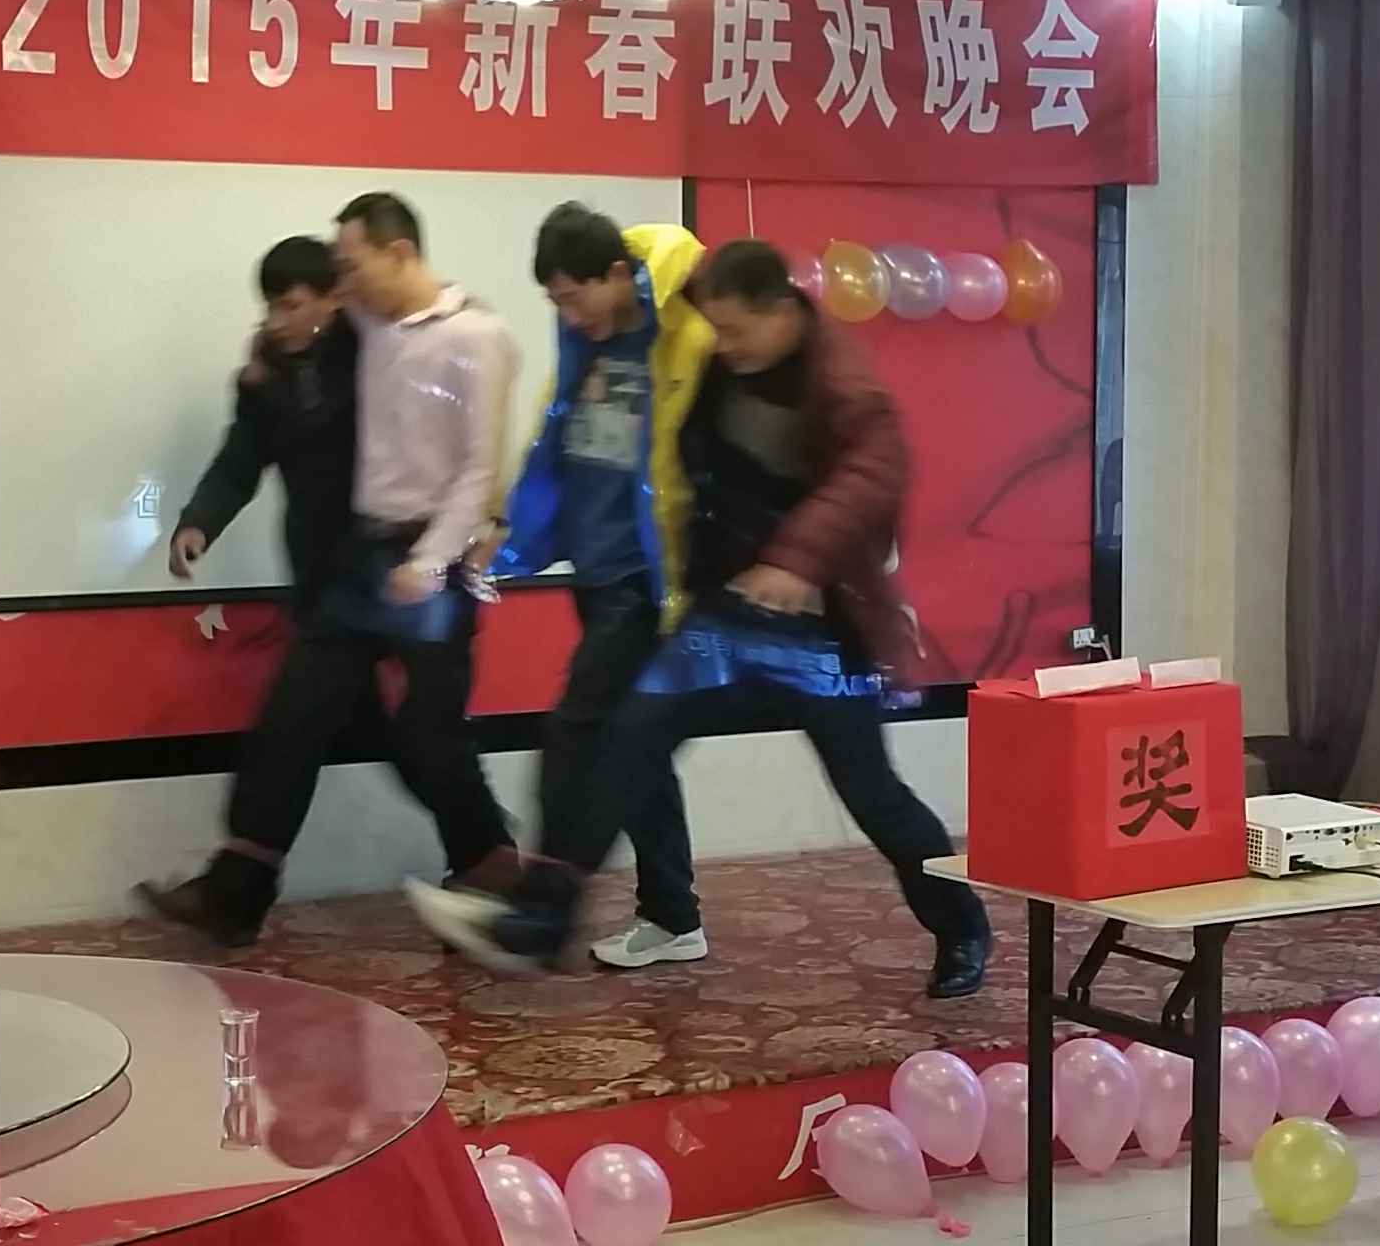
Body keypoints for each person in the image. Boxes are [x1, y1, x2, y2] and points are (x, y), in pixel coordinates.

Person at [411, 239, 995, 999]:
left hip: (821, 634)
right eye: (716, 329)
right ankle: (544, 917)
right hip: (722, 619)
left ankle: (960, 927)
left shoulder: (843, 384)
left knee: (872, 793)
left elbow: (870, 478)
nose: (726, 345)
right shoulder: (709, 366)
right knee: (626, 739)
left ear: (782, 310)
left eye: (738, 330)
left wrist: (796, 561)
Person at [141, 194, 522, 946]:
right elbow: (241, 456)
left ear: (334, 297)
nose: (278, 319)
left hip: (422, 566)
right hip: (340, 577)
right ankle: (236, 891)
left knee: (424, 737)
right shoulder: (277, 370)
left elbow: (474, 454)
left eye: (294, 303)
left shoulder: (385, 338)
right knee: (291, 722)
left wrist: (455, 545)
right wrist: (199, 521)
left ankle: (493, 867)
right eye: (271, 308)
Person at [478, 202, 710, 967]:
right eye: (556, 302)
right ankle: (672, 915)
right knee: (635, 745)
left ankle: (545, 908)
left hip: (648, 580)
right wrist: (510, 529)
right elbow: (557, 445)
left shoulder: (686, 333)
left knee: (578, 730)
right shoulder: (584, 342)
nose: (568, 314)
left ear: (616, 273)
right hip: (596, 567)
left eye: (575, 296)